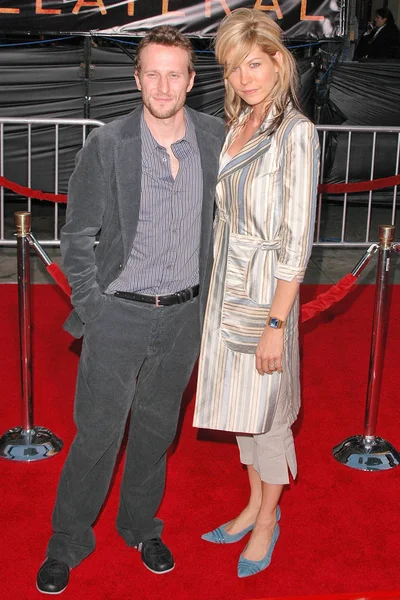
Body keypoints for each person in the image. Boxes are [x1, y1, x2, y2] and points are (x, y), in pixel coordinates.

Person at [36, 26, 225, 594]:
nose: (163, 85)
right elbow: (77, 234)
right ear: (137, 77)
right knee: (96, 434)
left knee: (155, 432)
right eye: (153, 72)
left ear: (191, 81)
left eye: (175, 73)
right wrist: (93, 305)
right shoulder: (110, 143)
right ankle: (67, 541)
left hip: (185, 315)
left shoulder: (218, 138)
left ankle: (140, 526)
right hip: (119, 313)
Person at [193, 8, 319, 578]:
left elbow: (297, 240)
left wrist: (276, 324)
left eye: (255, 64)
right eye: (235, 68)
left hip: (266, 294)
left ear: (278, 62)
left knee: (268, 417)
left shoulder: (295, 133)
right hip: (226, 290)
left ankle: (268, 518)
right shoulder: (238, 122)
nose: (246, 78)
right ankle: (250, 505)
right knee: (243, 412)